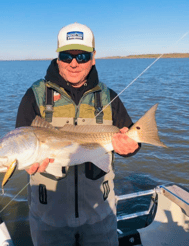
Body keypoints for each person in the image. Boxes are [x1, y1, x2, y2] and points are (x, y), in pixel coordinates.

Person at [16, 23, 140, 246]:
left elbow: (129, 137)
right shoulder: (34, 95)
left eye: (82, 56)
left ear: (93, 57)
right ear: (57, 58)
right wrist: (26, 163)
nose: (74, 63)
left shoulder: (109, 96)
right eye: (67, 56)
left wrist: (131, 147)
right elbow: (22, 139)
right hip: (49, 220)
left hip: (100, 216)